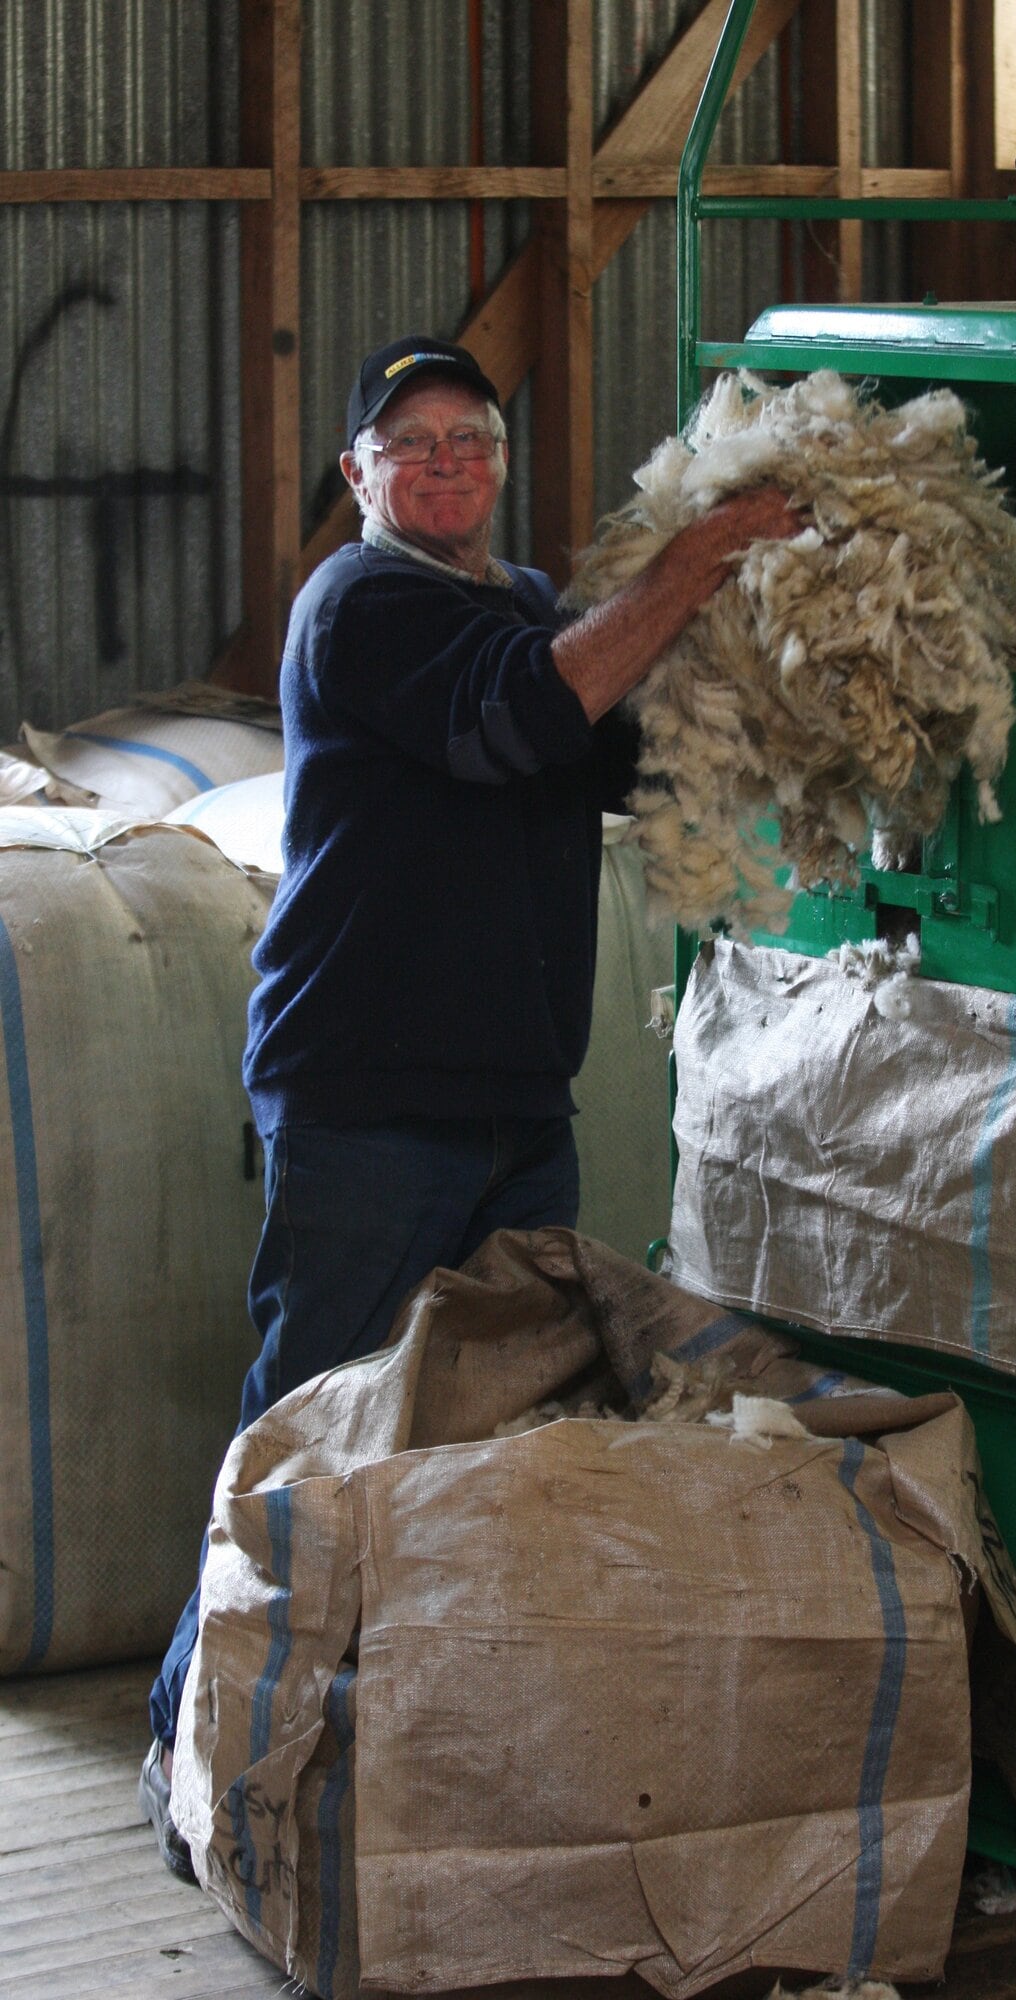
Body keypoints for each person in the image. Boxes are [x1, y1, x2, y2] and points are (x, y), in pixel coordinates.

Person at [138, 333, 800, 1880]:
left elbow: (612, 752)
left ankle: (409, 1761)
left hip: (517, 1100)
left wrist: (754, 643)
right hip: (370, 1097)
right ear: (359, 477)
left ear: (499, 468)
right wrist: (696, 559)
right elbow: (520, 721)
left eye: (470, 438)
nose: (442, 461)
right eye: (408, 442)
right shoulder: (360, 604)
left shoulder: (514, 605)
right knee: (314, 1430)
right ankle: (194, 1753)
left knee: (495, 1435)